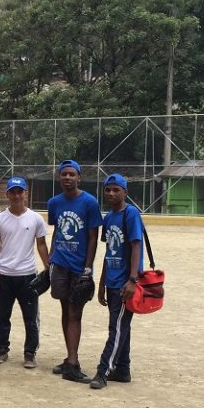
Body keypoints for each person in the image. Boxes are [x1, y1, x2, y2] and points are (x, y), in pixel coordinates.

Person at [47, 159, 103, 383]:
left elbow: (93, 237)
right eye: (64, 174)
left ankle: (73, 361)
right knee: (64, 309)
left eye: (72, 174)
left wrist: (87, 268)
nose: (67, 177)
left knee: (75, 313)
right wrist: (50, 259)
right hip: (60, 264)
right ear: (59, 177)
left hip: (79, 267)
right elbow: (57, 232)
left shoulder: (89, 202)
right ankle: (70, 357)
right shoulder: (54, 203)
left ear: (79, 177)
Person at [0, 176, 50, 369]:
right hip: (4, 274)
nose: (16, 195)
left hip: (28, 275)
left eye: (19, 191)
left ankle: (30, 353)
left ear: (26, 193)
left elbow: (41, 244)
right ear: (7, 194)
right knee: (2, 315)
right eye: (12, 192)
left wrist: (49, 268)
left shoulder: (36, 219)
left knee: (31, 316)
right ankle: (2, 349)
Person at [90, 174, 143, 390]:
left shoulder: (130, 214)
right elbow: (108, 251)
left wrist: (132, 280)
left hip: (124, 283)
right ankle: (123, 369)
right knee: (122, 327)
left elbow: (136, 246)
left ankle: (104, 370)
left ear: (125, 192)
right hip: (111, 282)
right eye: (108, 190)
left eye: (116, 190)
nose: (111, 193)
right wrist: (101, 283)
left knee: (117, 328)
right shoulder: (109, 217)